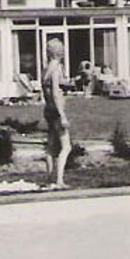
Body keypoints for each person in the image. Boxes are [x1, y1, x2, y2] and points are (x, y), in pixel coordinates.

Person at [42, 38, 71, 188]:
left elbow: (49, 89)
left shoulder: (46, 69)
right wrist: (63, 115)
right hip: (56, 109)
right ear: (59, 51)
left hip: (48, 109)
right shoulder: (57, 68)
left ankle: (49, 178)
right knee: (66, 146)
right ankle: (59, 180)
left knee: (51, 146)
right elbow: (55, 92)